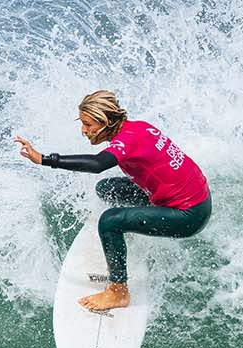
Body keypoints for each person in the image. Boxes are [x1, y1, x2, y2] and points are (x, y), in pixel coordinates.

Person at [14, 90, 212, 311]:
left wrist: (44, 159)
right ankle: (136, 224)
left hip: (189, 215)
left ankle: (118, 292)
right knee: (107, 189)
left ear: (105, 122)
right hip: (193, 194)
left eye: (88, 124)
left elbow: (98, 164)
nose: (83, 131)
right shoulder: (138, 127)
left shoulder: (127, 141)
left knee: (109, 221)